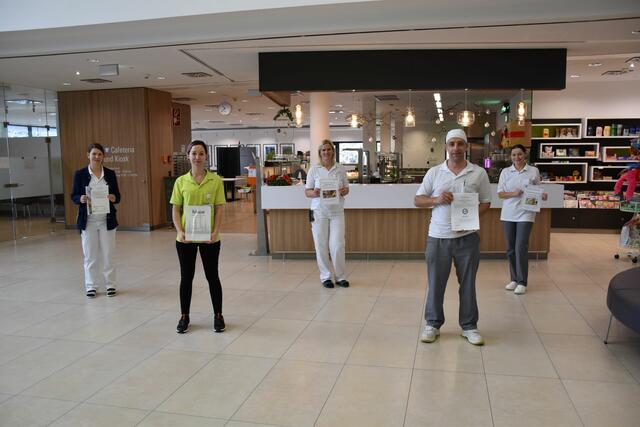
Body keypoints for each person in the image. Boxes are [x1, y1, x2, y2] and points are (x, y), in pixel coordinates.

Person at [415, 129, 491, 346]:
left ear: (466, 147)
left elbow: (486, 203)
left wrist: (469, 219)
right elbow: (417, 199)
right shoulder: (435, 173)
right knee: (436, 283)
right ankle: (432, 324)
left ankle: (469, 326)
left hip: (467, 238)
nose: (456, 148)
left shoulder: (478, 173)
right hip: (438, 237)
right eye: (452, 144)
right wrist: (436, 199)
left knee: (468, 284)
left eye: (460, 144)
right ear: (446, 147)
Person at [170, 140, 226, 333]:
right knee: (186, 278)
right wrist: (179, 230)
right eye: (194, 153)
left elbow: (219, 208)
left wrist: (215, 231)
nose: (197, 157)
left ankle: (218, 315)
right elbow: (176, 210)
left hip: (210, 238)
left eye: (201, 153)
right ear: (188, 156)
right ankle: (184, 316)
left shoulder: (215, 180)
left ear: (206, 156)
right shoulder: (180, 182)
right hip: (185, 239)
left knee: (213, 277)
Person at [71, 143, 121, 298]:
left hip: (107, 220)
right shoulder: (80, 174)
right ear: (88, 155)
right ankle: (91, 286)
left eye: (100, 154)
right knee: (90, 255)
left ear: (103, 156)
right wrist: (80, 198)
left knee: (108, 254)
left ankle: (110, 285)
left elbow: (118, 196)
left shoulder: (110, 174)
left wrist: (113, 197)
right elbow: (73, 196)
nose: (97, 157)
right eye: (94, 154)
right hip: (89, 221)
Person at [497, 144, 547, 295]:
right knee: (511, 249)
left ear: (525, 155)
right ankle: (514, 279)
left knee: (521, 247)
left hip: (526, 212)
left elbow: (537, 190)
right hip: (508, 214)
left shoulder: (533, 171)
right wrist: (513, 193)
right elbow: (500, 194)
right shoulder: (505, 172)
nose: (516, 157)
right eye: (513, 155)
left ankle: (522, 281)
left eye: (519, 154)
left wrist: (542, 195)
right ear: (510, 157)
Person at [305, 139, 350, 288]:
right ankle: (325, 277)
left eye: (329, 149)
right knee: (321, 245)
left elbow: (346, 188)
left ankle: (340, 276)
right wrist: (315, 193)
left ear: (333, 152)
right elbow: (307, 192)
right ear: (320, 153)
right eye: (323, 150)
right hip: (319, 212)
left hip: (337, 211)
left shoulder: (340, 169)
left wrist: (344, 191)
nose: (326, 152)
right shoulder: (314, 169)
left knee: (337, 245)